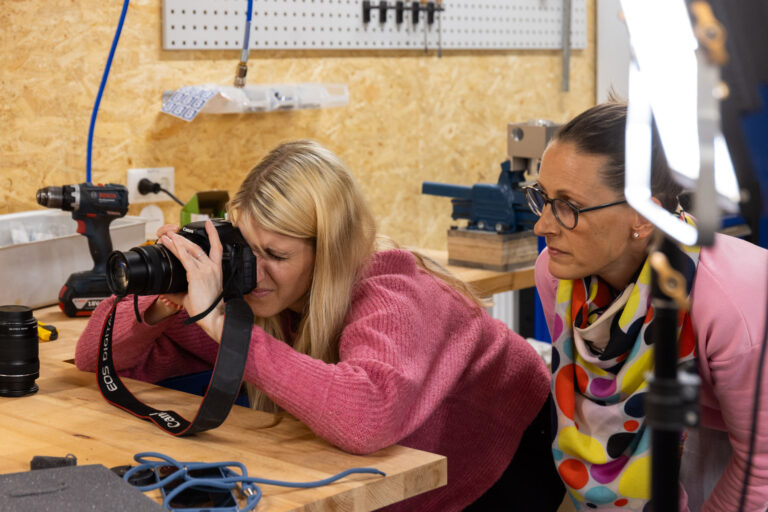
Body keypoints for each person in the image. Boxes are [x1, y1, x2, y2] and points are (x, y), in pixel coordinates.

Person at [75, 140, 553, 511]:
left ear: (329, 252)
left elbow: (366, 417)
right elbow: (94, 356)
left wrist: (223, 326)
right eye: (246, 248)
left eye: (277, 256)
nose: (253, 272)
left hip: (499, 464)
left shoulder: (392, 288)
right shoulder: (267, 288)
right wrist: (165, 298)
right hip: (397, 465)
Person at [527, 101, 768, 511]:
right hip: (685, 432)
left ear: (643, 217)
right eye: (543, 198)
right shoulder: (556, 276)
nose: (542, 225)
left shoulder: (731, 300)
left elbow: (761, 469)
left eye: (568, 206)